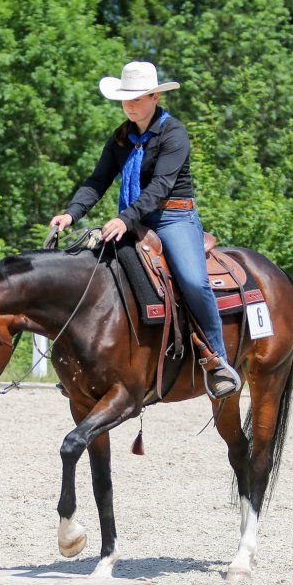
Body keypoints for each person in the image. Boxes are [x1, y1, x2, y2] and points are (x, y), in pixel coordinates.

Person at [49, 61, 241, 399]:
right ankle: (89, 363)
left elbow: (161, 187)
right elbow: (98, 180)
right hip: (134, 218)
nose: (130, 105)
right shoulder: (121, 137)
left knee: (194, 281)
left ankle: (217, 359)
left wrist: (125, 219)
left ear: (154, 96)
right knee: (88, 274)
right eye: (126, 98)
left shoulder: (174, 133)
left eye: (137, 98)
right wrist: (71, 213)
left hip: (173, 219)